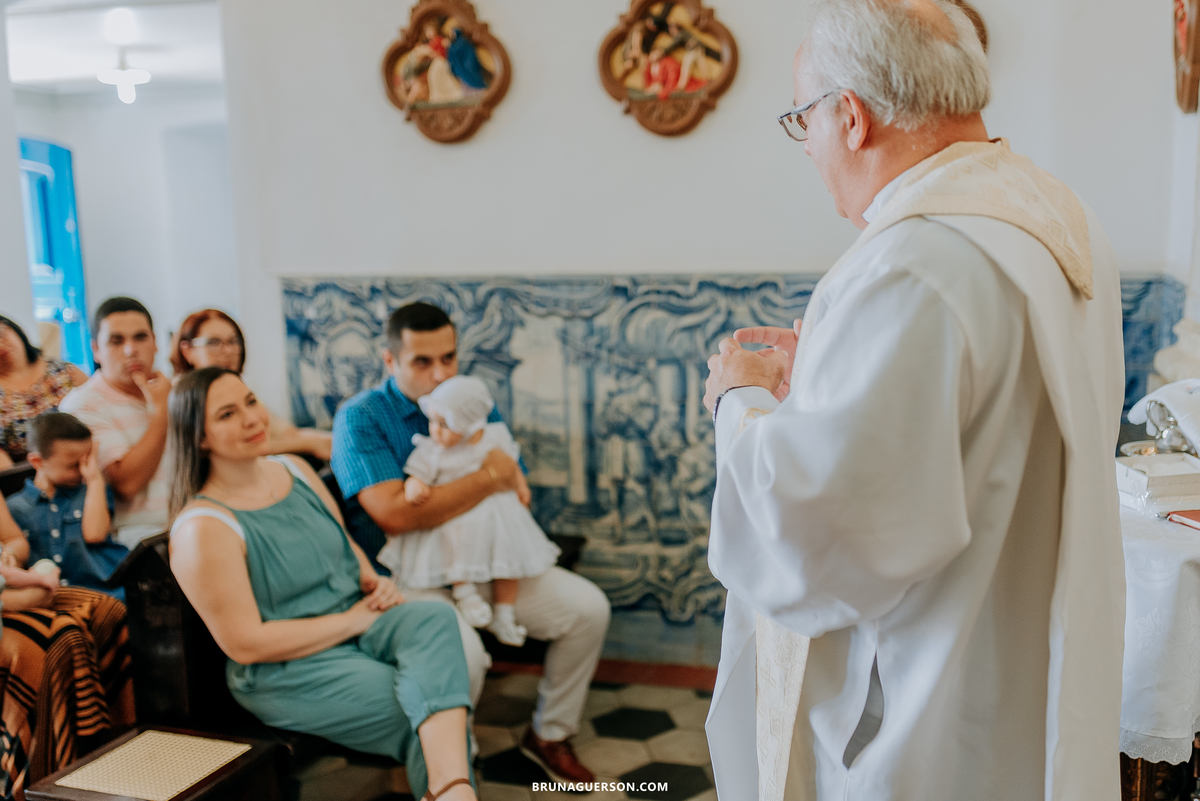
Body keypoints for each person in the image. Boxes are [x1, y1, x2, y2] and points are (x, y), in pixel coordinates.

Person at [701, 1, 1125, 800]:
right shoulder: (1058, 218)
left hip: (922, 706)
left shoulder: (913, 261)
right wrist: (831, 366)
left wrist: (740, 398)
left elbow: (814, 530)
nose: (811, 146)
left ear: (851, 118)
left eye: (804, 119)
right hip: (1024, 661)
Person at [331, 302, 610, 785]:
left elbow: (514, 487)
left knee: (587, 610)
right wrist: (487, 476)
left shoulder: (475, 400)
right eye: (423, 361)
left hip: (483, 562)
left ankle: (550, 734)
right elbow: (396, 515)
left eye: (449, 357)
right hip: (405, 578)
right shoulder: (361, 418)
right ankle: (457, 764)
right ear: (390, 360)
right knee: (464, 656)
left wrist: (473, 489)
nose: (440, 373)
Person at [168, 367, 477, 801]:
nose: (253, 419)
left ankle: (449, 790)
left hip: (356, 618)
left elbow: (345, 545)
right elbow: (246, 644)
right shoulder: (203, 528)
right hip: (288, 668)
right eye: (227, 414)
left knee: (433, 618)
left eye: (252, 402)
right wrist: (353, 621)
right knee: (429, 713)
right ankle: (455, 790)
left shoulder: (293, 468)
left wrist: (372, 580)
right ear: (198, 438)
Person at [380, 375, 561, 648]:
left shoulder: (492, 437)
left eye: (444, 424)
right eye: (432, 421)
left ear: (467, 424)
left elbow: (510, 465)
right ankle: (465, 593)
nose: (435, 430)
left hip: (498, 520)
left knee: (509, 559)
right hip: (458, 517)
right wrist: (414, 486)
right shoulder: (433, 451)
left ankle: (505, 613)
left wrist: (521, 485)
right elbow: (417, 474)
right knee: (455, 543)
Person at [0, 501, 134, 798]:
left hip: (7, 583)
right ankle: (46, 782)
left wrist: (9, 556)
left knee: (106, 611)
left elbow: (14, 540)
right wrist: (24, 599)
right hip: (6, 602)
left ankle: (112, 750)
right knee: (60, 640)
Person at [59, 297, 172, 548]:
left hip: (193, 522)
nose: (131, 350)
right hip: (139, 543)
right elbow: (128, 484)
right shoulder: (83, 404)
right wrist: (162, 410)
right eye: (116, 341)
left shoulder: (170, 390)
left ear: (155, 342)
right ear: (96, 350)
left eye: (140, 337)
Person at [169, 308, 332, 461]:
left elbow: (287, 432)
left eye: (233, 341)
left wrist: (324, 440)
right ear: (187, 351)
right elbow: (244, 445)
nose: (228, 351)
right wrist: (311, 443)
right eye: (213, 342)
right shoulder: (179, 398)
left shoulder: (238, 389)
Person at [5, 412, 128, 600]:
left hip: (105, 593)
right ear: (37, 462)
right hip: (53, 598)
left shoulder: (93, 491)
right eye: (73, 465)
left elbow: (95, 534)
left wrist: (95, 480)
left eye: (87, 461)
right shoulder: (14, 508)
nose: (83, 470)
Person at [0, 315, 88, 469]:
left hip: (86, 462)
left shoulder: (65, 372)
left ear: (14, 329)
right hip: (29, 478)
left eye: (1, 333)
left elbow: (100, 407)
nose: (0, 344)